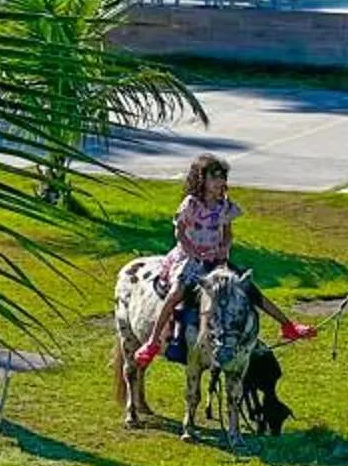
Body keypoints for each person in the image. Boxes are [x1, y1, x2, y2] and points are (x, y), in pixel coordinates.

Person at [130, 153, 316, 370]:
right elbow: (180, 232)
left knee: (250, 290)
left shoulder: (225, 206)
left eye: (222, 177)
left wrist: (223, 249)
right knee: (175, 294)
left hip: (217, 259)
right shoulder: (192, 204)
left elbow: (228, 233)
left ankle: (287, 325)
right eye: (214, 177)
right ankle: (152, 342)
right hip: (190, 259)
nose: (220, 182)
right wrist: (192, 251)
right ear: (202, 180)